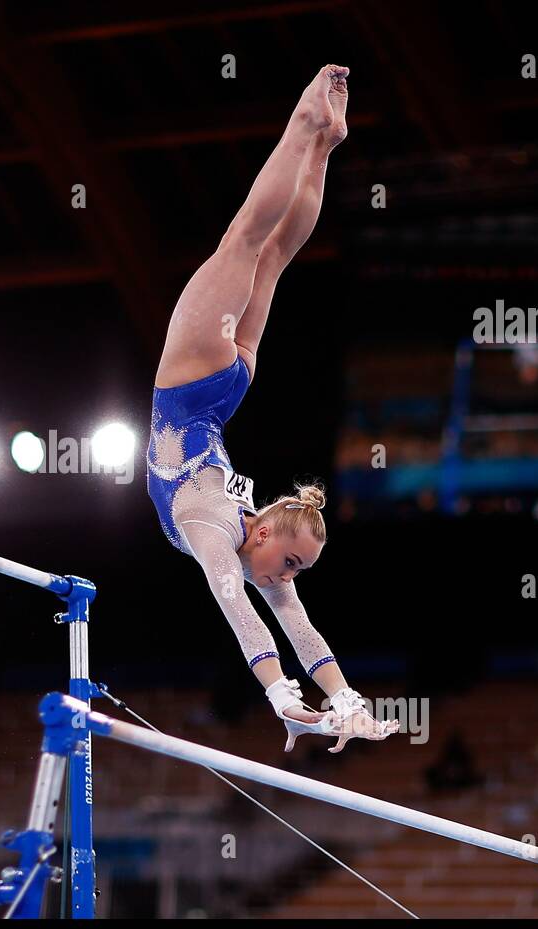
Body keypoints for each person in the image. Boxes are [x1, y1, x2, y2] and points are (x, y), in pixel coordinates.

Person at [146, 65, 397, 754]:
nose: (287, 580)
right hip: (201, 385)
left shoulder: (216, 531)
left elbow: (260, 613)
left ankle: (319, 139)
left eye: (292, 570)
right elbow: (257, 616)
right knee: (256, 243)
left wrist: (320, 697)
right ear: (266, 537)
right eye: (291, 566)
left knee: (266, 247)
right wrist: (312, 696)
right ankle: (309, 131)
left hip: (216, 388)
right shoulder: (225, 527)